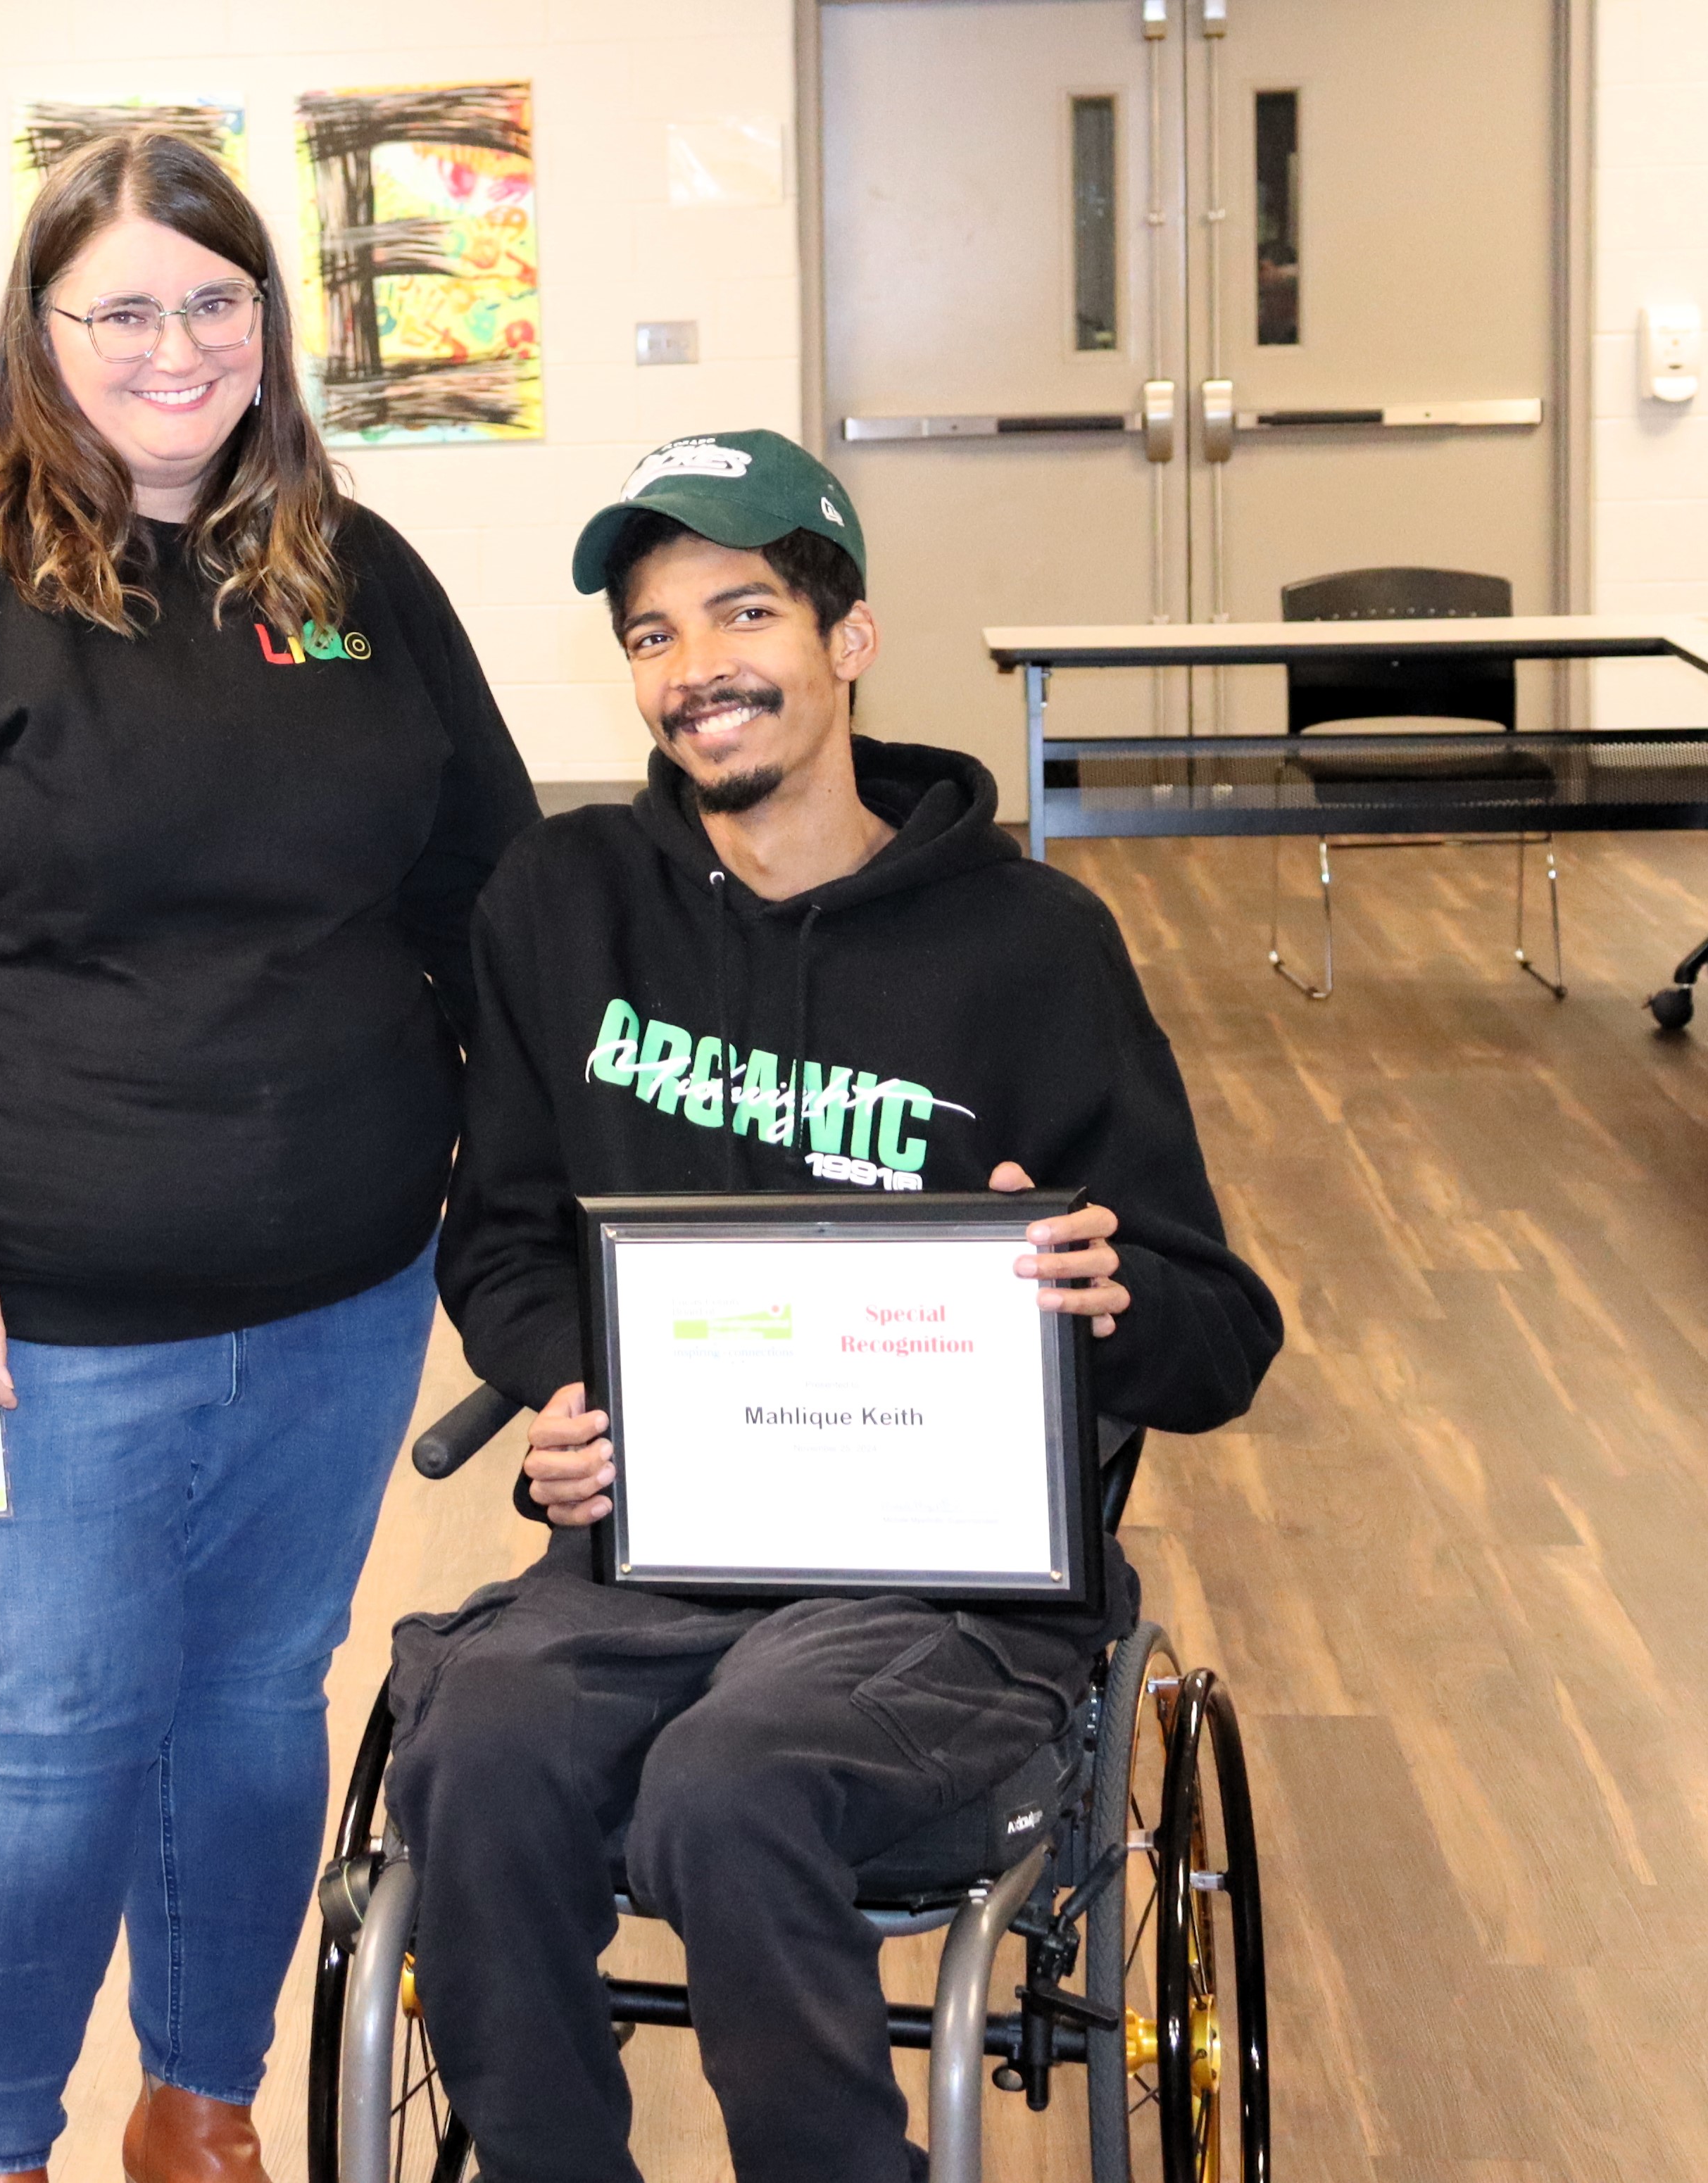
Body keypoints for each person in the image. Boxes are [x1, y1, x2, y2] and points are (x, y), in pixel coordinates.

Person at [0, 132, 537, 2183]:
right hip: (29, 1309)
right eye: (122, 308)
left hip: (339, 1286)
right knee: (48, 1726)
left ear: (270, 322)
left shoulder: (353, 572)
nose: (173, 346)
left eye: (213, 300)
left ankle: (202, 2104)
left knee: (257, 1695)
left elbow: (493, 893)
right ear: (40, 335)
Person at [384, 430, 1282, 2183]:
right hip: (658, 1546)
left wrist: (1104, 1291)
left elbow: (1219, 1331)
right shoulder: (559, 910)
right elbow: (497, 1238)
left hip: (937, 1588)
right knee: (476, 1754)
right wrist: (569, 1394)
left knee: (736, 1785)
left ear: (847, 639)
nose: (694, 668)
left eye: (741, 613)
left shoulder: (1028, 946)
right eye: (650, 634)